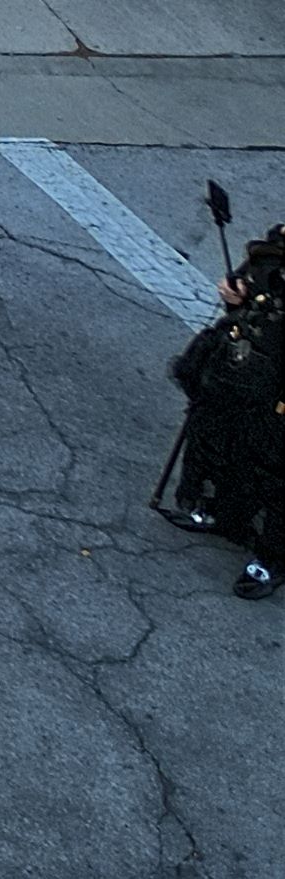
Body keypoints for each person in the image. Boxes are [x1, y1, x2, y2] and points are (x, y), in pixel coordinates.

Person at [163, 220, 285, 600]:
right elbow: (257, 282)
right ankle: (223, 512)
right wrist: (238, 295)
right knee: (229, 437)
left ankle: (274, 559)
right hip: (252, 374)